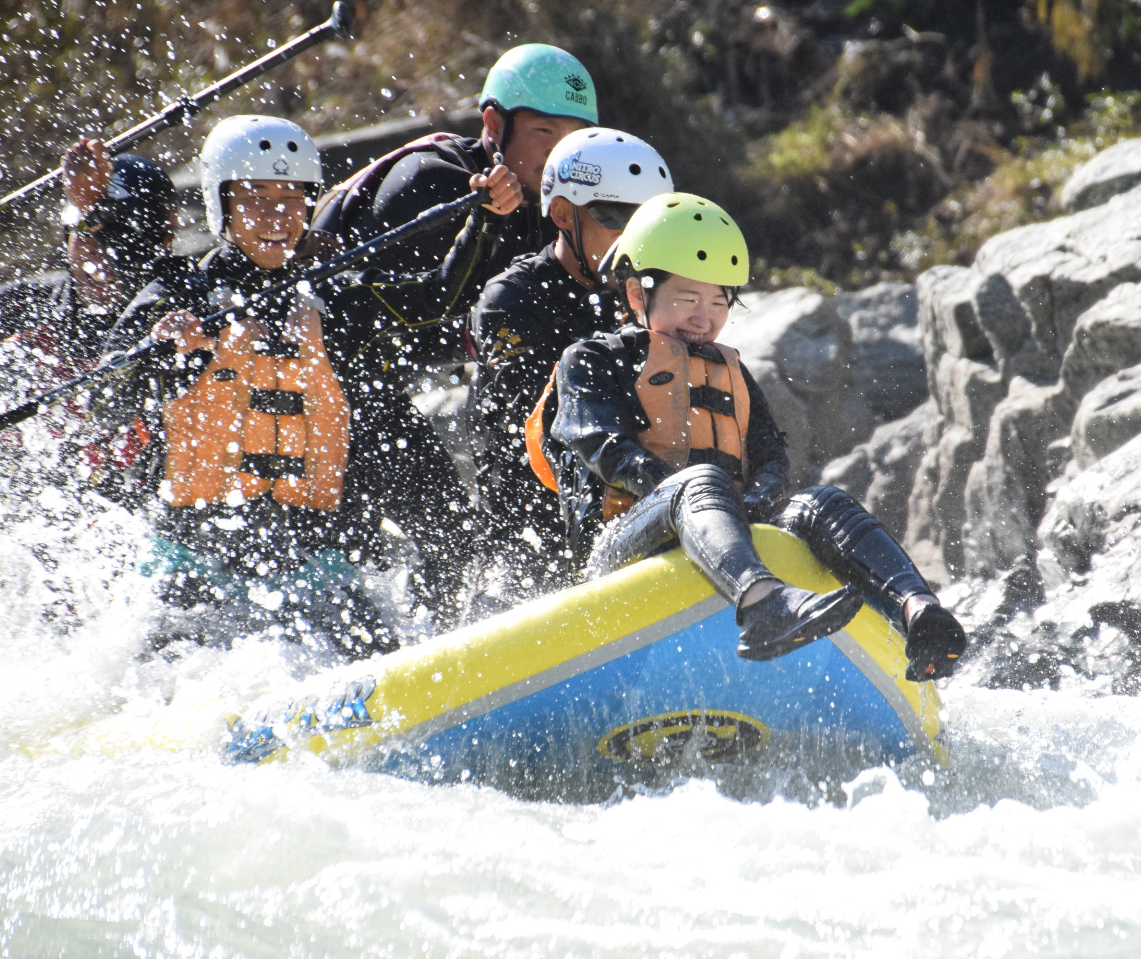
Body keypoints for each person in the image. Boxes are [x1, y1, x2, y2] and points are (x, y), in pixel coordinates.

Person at [101, 115, 519, 653]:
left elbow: (438, 298)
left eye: (291, 198)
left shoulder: (331, 298)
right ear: (219, 203)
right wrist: (152, 350)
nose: (276, 215)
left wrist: (484, 221)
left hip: (313, 569)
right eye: (254, 197)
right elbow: (102, 401)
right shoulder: (178, 290)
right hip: (197, 565)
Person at [544, 193, 967, 675]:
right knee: (698, 481)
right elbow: (602, 447)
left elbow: (770, 459)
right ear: (638, 295)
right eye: (687, 299)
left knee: (822, 501)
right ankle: (766, 607)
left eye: (718, 301)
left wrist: (751, 502)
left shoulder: (732, 372)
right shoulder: (593, 359)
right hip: (624, 545)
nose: (704, 318)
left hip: (721, 532)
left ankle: (920, 613)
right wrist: (696, 492)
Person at [468, 128, 673, 602]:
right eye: (617, 219)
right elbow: (552, 427)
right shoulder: (510, 298)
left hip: (627, 515)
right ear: (563, 213)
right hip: (526, 535)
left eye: (647, 224)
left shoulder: (653, 296)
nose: (634, 240)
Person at [308, 42, 597, 364]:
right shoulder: (428, 183)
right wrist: (486, 221)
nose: (559, 152)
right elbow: (391, 325)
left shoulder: (546, 202)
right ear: (495, 125)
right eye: (545, 130)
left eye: (573, 137)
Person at [0, 139, 178, 392]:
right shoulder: (26, 308)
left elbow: (140, 287)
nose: (97, 247)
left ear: (164, 242)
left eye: (120, 233)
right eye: (83, 228)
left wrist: (91, 209)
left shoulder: (179, 306)